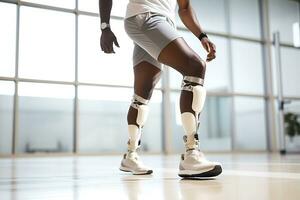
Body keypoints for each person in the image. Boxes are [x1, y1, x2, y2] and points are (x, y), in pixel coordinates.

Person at [99, 0, 222, 178]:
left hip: (161, 22)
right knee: (195, 67)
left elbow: (185, 7)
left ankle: (130, 155)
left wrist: (202, 36)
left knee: (142, 93)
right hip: (145, 17)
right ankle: (191, 154)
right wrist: (105, 27)